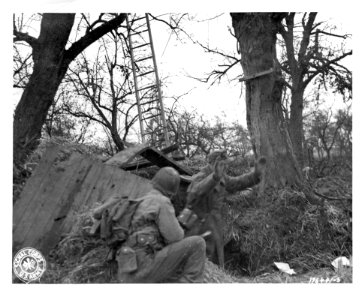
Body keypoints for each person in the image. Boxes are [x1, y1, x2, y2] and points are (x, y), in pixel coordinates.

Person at [116, 166, 206, 283]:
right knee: (198, 243)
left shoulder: (142, 199)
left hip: (127, 268)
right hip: (143, 267)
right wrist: (181, 226)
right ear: (172, 190)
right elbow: (175, 237)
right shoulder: (162, 201)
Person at [182, 149, 266, 268]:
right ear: (213, 163)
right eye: (222, 164)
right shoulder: (200, 176)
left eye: (225, 164)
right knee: (199, 261)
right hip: (198, 226)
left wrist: (255, 175)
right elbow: (195, 193)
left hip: (214, 225)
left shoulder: (222, 178)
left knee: (215, 262)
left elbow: (238, 183)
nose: (225, 167)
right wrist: (214, 177)